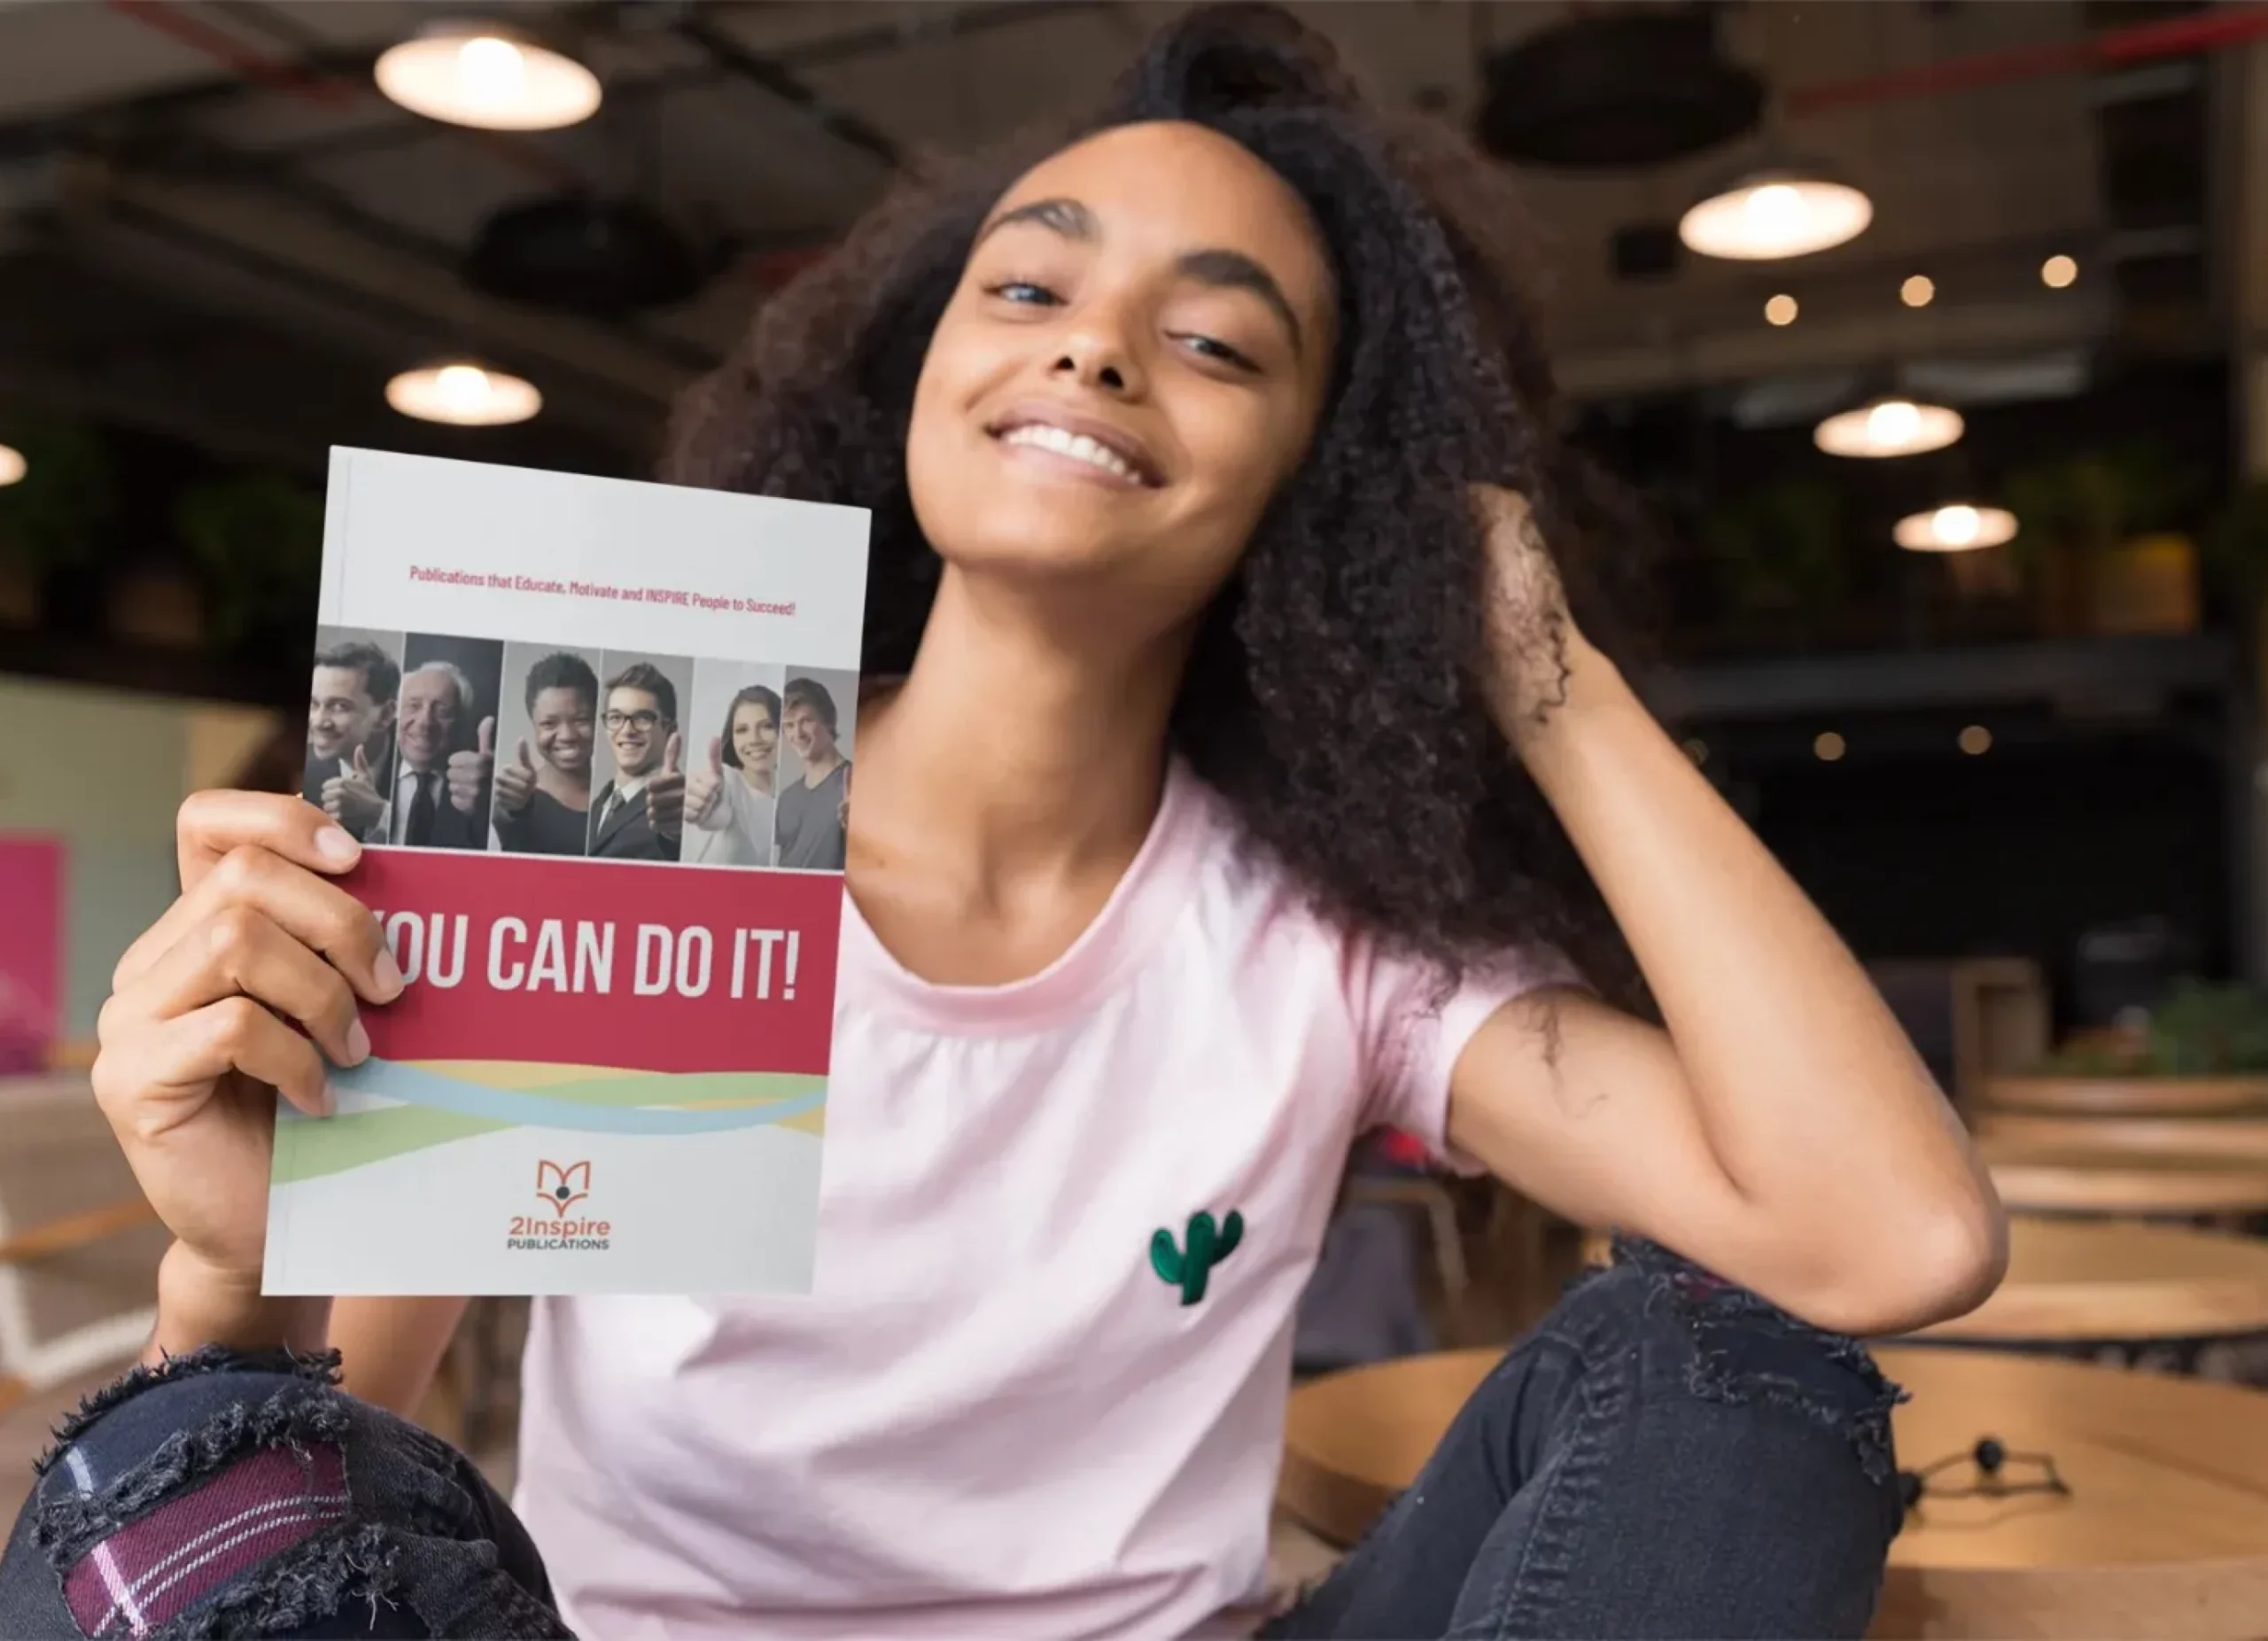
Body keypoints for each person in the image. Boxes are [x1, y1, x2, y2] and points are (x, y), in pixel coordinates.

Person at [15, 9, 2005, 1639]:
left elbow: (1885, 1233)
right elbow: (306, 1493)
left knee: (1736, 1357)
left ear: (1321, 478)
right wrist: (238, 1261)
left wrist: (1532, 661)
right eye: (1030, 282)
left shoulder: (1320, 933)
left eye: (1219, 338)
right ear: (920, 371)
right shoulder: (636, 790)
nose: (1096, 344)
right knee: (177, 1534)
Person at [493, 652, 600, 857]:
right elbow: (507, 824)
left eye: (581, 720)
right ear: (533, 724)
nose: (567, 735)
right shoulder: (518, 800)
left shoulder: (617, 797)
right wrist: (512, 810)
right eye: (549, 723)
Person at [586, 663, 686, 862]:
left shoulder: (676, 807)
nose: (627, 730)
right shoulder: (599, 804)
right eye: (615, 717)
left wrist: (676, 832)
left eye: (642, 718)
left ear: (670, 729)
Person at [303, 638, 398, 841]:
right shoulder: (305, 771)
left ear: (385, 715)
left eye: (340, 707)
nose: (319, 722)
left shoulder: (422, 770)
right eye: (314, 704)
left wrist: (381, 815)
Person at [684, 684, 782, 867]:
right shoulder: (728, 781)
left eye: (767, 726)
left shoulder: (785, 806)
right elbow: (718, 814)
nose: (754, 739)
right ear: (732, 739)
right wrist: (707, 811)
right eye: (742, 730)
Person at [773, 677, 851, 870]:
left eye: (806, 721)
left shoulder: (855, 785)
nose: (797, 734)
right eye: (789, 725)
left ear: (828, 722)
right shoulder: (786, 798)